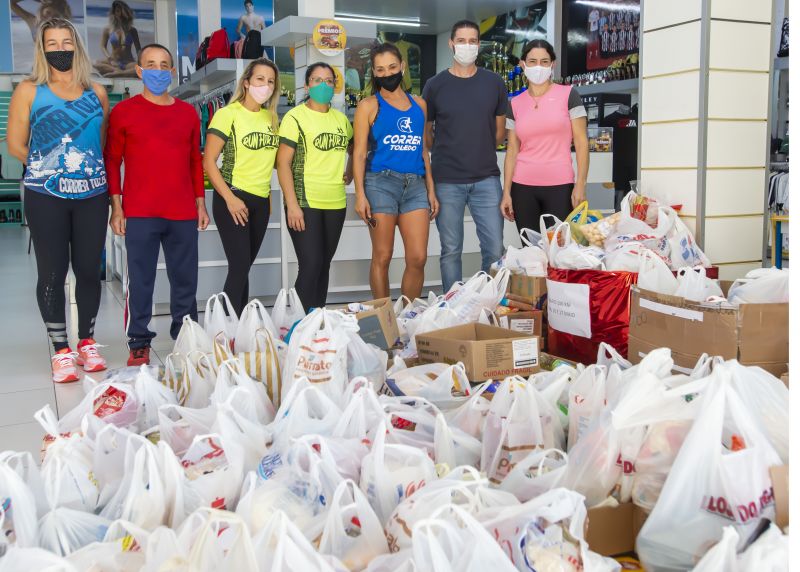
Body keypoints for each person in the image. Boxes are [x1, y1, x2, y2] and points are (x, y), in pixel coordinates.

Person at [7, 18, 110, 383]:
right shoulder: (29, 91)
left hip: (93, 196)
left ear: (77, 46)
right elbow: (16, 144)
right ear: (42, 49)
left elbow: (100, 143)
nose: (61, 49)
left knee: (88, 271)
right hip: (46, 195)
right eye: (53, 44)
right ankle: (61, 349)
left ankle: (87, 342)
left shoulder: (96, 92)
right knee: (52, 273)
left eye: (67, 42)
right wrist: (45, 167)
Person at [105, 43, 209, 366]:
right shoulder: (124, 112)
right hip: (140, 212)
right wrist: (116, 208)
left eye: (165, 65)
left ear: (172, 72)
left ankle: (185, 334)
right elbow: (112, 161)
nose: (158, 70)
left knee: (185, 280)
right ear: (139, 70)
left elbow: (195, 161)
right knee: (141, 280)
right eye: (151, 64)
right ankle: (138, 340)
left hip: (181, 212)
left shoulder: (187, 113)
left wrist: (201, 204)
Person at [422, 20, 507, 293]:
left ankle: (488, 304)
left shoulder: (494, 83)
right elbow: (427, 134)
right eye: (461, 40)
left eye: (473, 41)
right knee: (450, 250)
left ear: (479, 45)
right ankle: (453, 306)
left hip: (486, 179)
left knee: (494, 248)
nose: (467, 46)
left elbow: (499, 133)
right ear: (451, 44)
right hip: (447, 180)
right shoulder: (435, 86)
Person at [353, 43, 438, 300]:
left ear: (402, 67)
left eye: (392, 67)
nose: (387, 73)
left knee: (418, 257)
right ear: (374, 73)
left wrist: (431, 190)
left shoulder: (419, 104)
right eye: (380, 69)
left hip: (415, 186)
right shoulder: (368, 106)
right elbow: (358, 153)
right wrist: (359, 195)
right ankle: (384, 318)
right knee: (383, 255)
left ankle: (407, 314)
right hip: (381, 184)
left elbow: (424, 150)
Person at [203, 58, 280, 315]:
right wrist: (230, 198)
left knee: (244, 266)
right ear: (246, 82)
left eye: (270, 82)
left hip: (260, 202)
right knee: (238, 266)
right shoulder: (228, 114)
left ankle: (239, 327)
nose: (265, 86)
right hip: (233, 198)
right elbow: (209, 162)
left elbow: (271, 162)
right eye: (260, 79)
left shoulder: (271, 118)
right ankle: (224, 328)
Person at [276, 62, 354, 312]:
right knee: (311, 263)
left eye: (329, 81)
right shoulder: (294, 117)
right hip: (304, 201)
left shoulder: (341, 120)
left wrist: (350, 172)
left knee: (324, 264)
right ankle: (297, 324)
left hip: (335, 201)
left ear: (335, 86)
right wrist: (292, 205)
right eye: (317, 80)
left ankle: (317, 320)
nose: (323, 85)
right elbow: (283, 163)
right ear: (307, 85)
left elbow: (355, 148)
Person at [501, 40, 589, 235]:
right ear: (523, 64)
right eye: (532, 61)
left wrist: (580, 184)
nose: (538, 66)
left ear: (552, 64)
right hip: (522, 188)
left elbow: (582, 143)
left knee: (559, 252)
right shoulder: (515, 103)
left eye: (544, 61)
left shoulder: (569, 95)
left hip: (560, 187)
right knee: (531, 253)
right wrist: (506, 192)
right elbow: (512, 150)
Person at [93, 0, 142, 78]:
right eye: (118, 11)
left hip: (129, 63)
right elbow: (103, 46)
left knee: (141, 68)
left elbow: (138, 49)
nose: (120, 14)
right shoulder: (108, 29)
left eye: (122, 11)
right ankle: (120, 72)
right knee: (95, 63)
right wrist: (109, 57)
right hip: (114, 62)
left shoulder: (132, 30)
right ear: (114, 13)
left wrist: (142, 61)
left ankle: (119, 73)